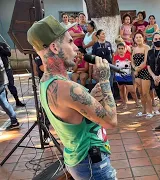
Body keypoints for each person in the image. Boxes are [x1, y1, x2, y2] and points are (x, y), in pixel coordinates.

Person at [27, 15, 117, 179]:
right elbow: (111, 121)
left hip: (78, 159)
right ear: (54, 47)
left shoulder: (46, 82)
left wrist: (88, 97)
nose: (76, 48)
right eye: (70, 42)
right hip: (92, 164)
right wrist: (105, 81)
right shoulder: (67, 88)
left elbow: (72, 113)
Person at [131, 31, 153, 119]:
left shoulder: (147, 47)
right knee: (140, 92)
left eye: (140, 37)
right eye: (137, 37)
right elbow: (132, 61)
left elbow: (146, 61)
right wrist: (134, 68)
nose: (138, 39)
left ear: (143, 38)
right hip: (137, 72)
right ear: (134, 39)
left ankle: (150, 111)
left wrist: (137, 68)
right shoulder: (134, 49)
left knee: (145, 92)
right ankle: (144, 111)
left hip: (145, 72)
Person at [114, 42, 139, 109]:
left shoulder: (128, 56)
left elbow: (133, 64)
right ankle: (124, 104)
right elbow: (114, 66)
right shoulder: (115, 57)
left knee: (132, 91)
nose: (121, 50)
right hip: (119, 77)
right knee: (121, 90)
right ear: (117, 49)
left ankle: (137, 103)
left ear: (125, 49)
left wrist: (135, 70)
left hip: (128, 76)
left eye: (122, 48)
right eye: (119, 48)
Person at [0, 42, 25, 107]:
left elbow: (9, 54)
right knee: (2, 88)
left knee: (11, 85)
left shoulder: (2, 44)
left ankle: (17, 101)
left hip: (7, 69)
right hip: (0, 72)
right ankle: (6, 104)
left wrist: (1, 49)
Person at [0, 56, 20, 130]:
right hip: (2, 82)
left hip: (1, 83)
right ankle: (14, 121)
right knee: (4, 102)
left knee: (4, 103)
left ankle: (14, 121)